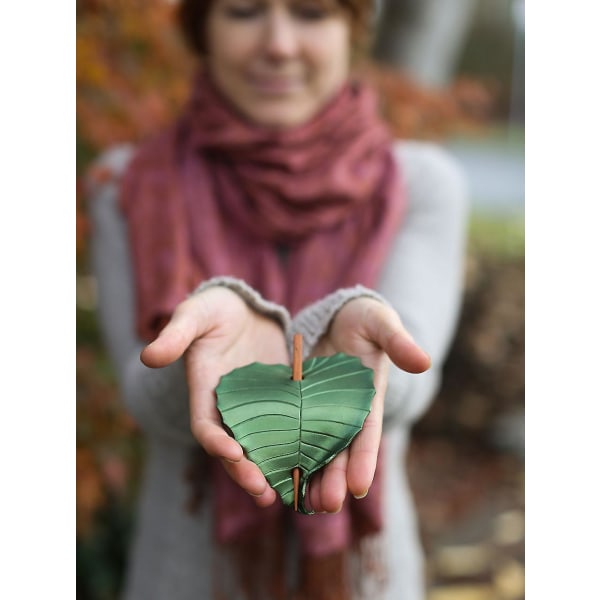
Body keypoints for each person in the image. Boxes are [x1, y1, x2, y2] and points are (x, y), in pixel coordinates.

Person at [85, 0, 469, 598]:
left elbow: (412, 377)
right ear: (201, 29)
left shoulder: (419, 183)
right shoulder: (130, 185)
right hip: (187, 574)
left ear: (352, 31)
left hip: (360, 580)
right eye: (243, 12)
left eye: (312, 14)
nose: (280, 44)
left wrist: (348, 349)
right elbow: (148, 401)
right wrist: (204, 345)